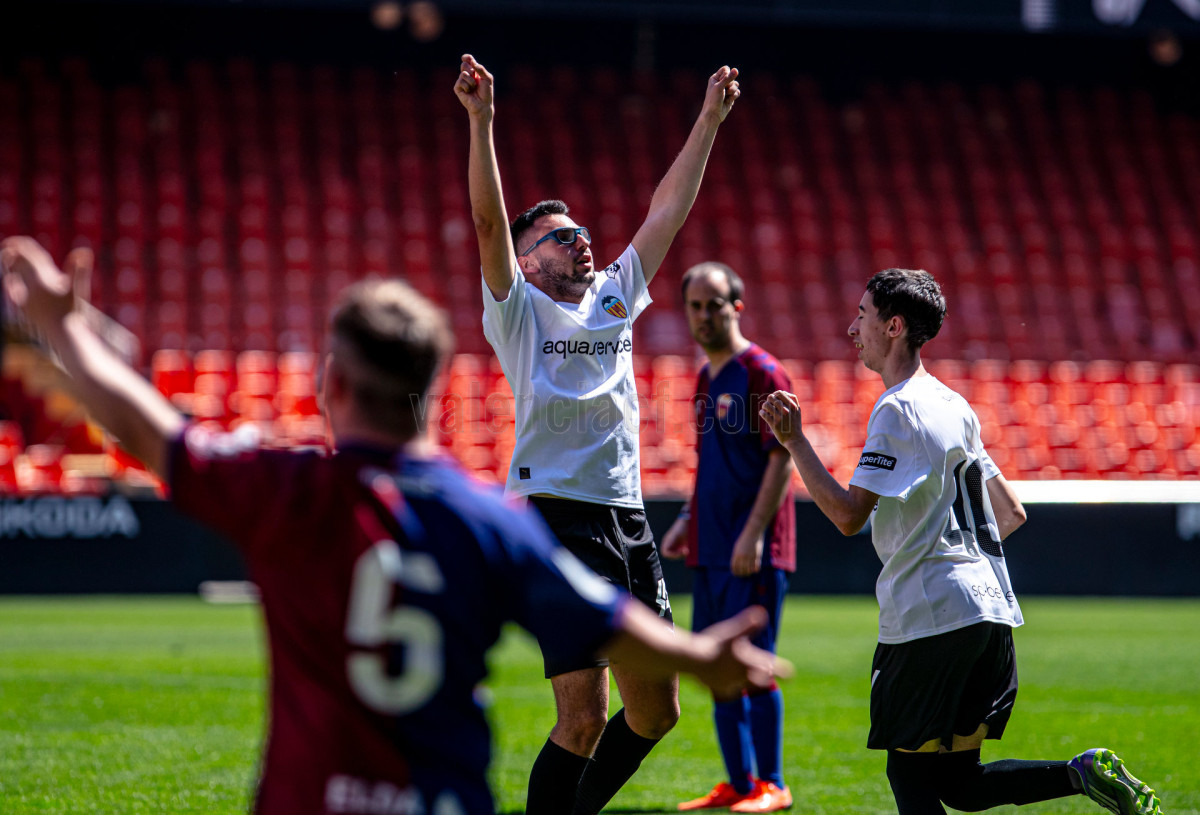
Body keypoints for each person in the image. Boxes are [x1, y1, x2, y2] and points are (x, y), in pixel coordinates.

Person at [0, 235, 788, 815]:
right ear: (436, 385)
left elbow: (153, 433)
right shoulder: (487, 519)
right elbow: (609, 619)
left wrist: (64, 331)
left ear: (332, 383)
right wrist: (701, 657)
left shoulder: (286, 490)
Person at [758, 267, 1163, 815]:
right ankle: (1081, 772)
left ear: (894, 326)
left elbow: (849, 516)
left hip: (931, 615)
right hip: (991, 611)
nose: (853, 329)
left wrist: (794, 441)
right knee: (958, 782)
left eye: (862, 315)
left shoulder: (898, 407)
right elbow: (1010, 511)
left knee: (908, 773)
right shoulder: (955, 406)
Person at [454, 54, 741, 815]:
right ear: (526, 262)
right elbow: (487, 222)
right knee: (581, 719)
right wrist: (482, 121)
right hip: (557, 515)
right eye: (561, 237)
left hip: (627, 515)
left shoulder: (614, 295)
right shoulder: (516, 310)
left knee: (656, 713)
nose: (582, 240)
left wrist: (708, 120)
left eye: (583, 231)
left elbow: (667, 210)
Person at [659, 262, 795, 813]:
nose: (703, 315)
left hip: (749, 550)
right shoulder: (705, 378)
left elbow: (782, 459)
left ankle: (773, 785)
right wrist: (686, 520)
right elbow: (710, 463)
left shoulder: (763, 372)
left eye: (714, 304)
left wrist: (753, 535)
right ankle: (739, 785)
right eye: (694, 306)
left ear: (736, 307)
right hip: (709, 544)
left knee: (754, 664)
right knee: (715, 667)